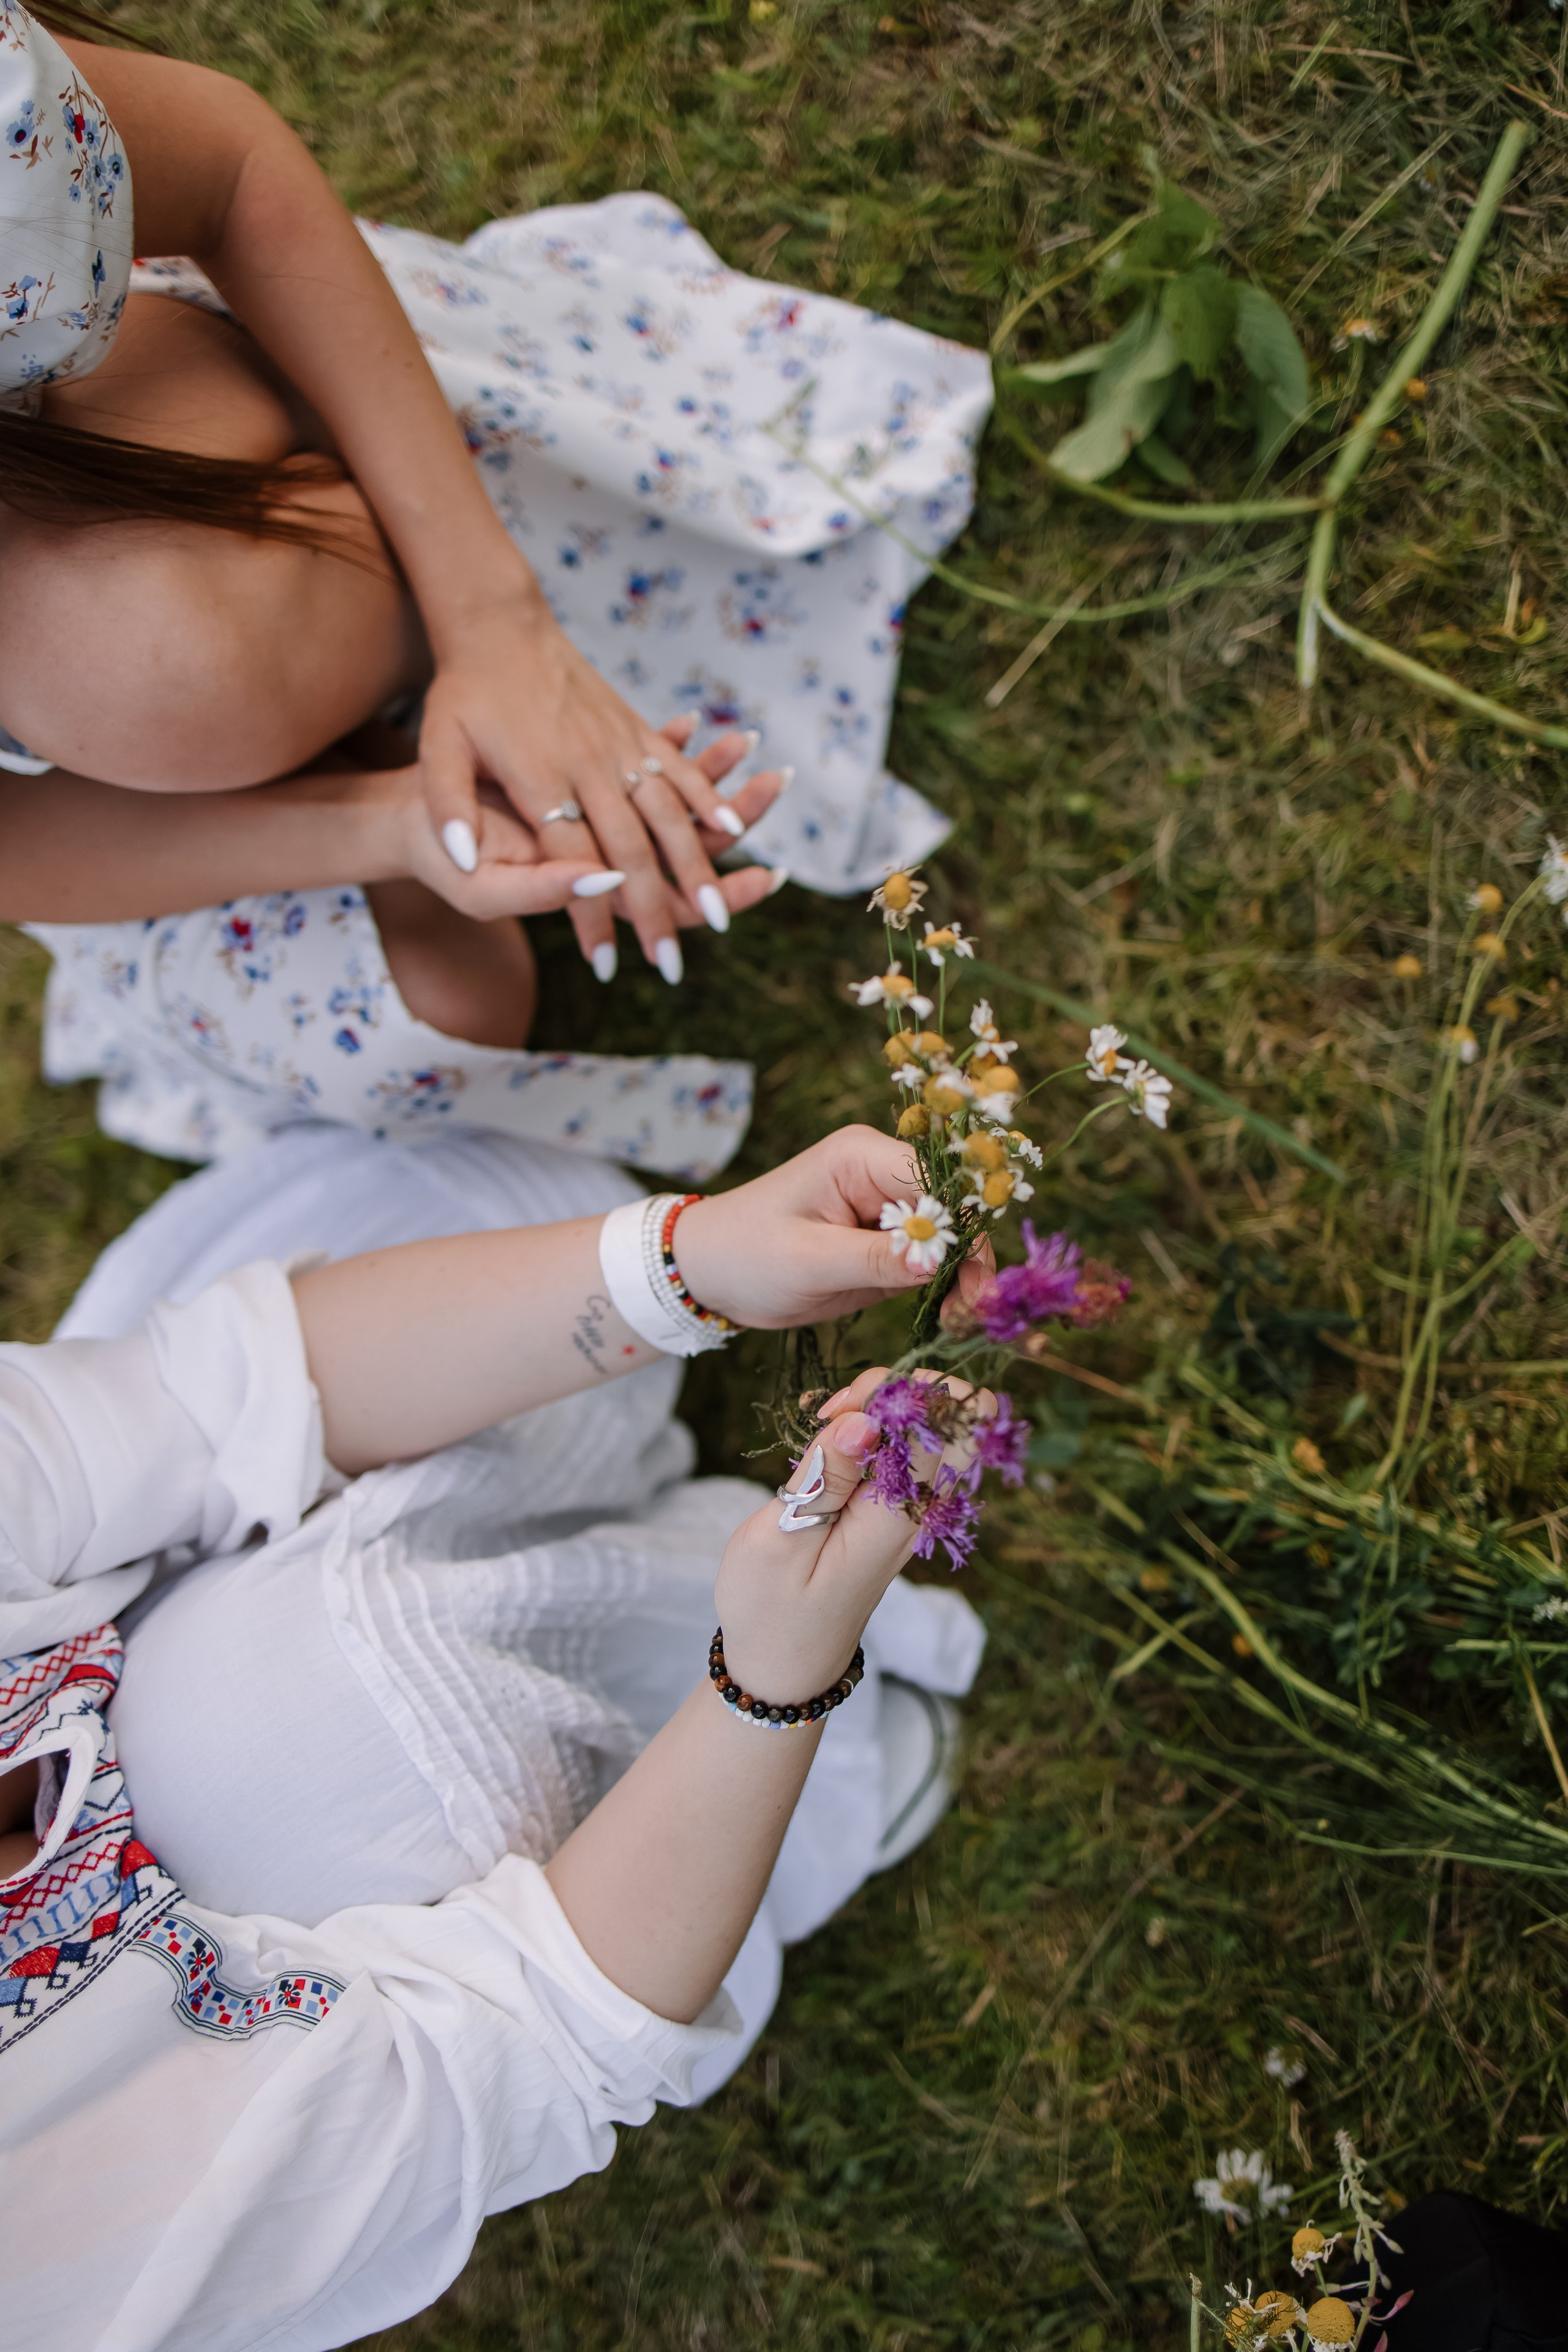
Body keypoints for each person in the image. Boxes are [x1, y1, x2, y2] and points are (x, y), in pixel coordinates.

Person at [0, 1119, 990, 2346]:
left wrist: (687, 1266)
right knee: (276, 1731)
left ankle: (587, 1526)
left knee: (535, 1192)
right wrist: (770, 1679)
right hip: (356, 1825)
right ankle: (695, 1677)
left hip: (170, 1551)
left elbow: (214, 1395)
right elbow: (531, 2038)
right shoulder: (51, 2242)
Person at [0, 4, 992, 1169]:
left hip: (191, 459)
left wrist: (497, 626)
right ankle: (404, 746)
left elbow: (224, 166)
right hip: (97, 791)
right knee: (441, 1017)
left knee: (158, 642)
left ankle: (457, 647)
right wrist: (400, 830)